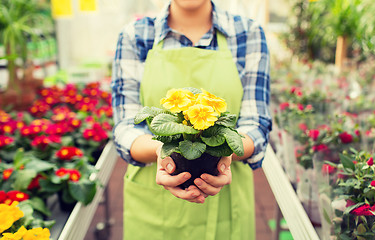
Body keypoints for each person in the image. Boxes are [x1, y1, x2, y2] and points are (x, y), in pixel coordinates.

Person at [111, 0, 272, 239]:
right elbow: (126, 126)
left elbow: (257, 124)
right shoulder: (135, 35)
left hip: (227, 201)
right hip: (154, 205)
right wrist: (163, 153)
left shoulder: (248, 34)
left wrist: (223, 154)